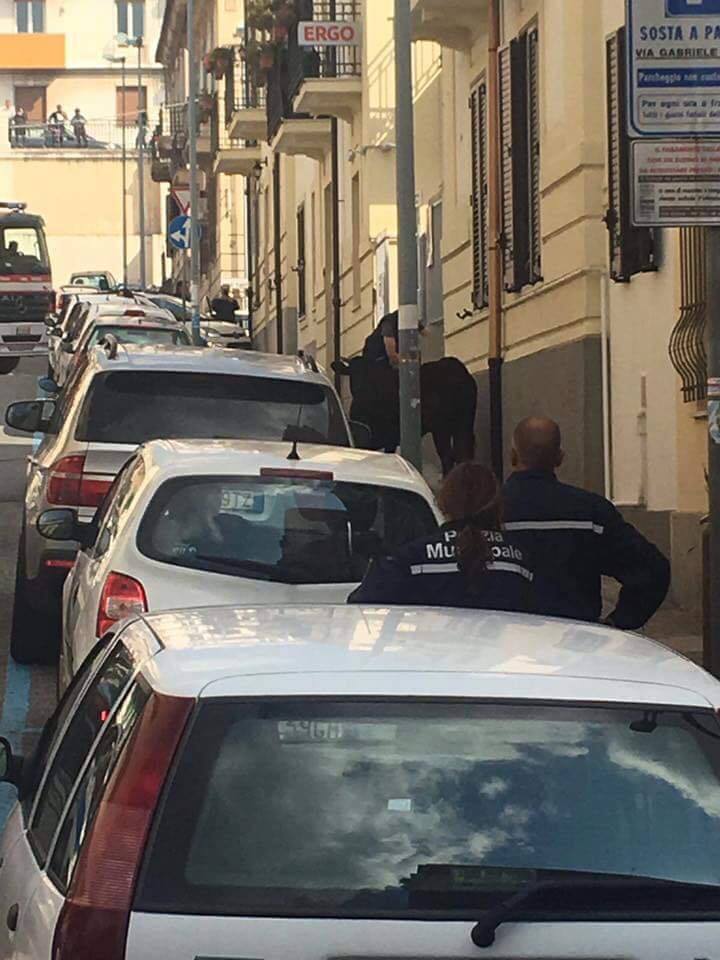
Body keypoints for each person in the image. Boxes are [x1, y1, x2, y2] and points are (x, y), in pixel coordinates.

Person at [503, 417, 671, 630]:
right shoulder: (590, 512)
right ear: (560, 458)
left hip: (503, 641)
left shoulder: (487, 511)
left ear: (512, 456)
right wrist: (618, 623)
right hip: (576, 639)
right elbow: (652, 568)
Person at [349, 462, 535, 611]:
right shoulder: (519, 560)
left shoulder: (413, 557)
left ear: (443, 503)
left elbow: (361, 604)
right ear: (498, 505)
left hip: (429, 648)